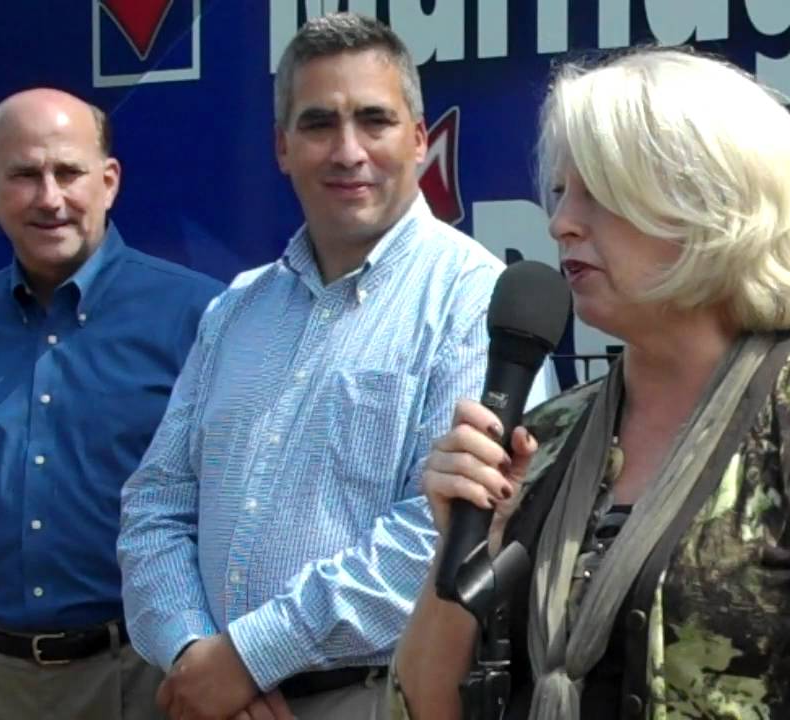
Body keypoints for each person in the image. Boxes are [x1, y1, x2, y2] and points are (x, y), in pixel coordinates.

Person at [391, 48, 790, 719]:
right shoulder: (544, 436)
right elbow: (421, 709)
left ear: (708, 207)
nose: (560, 222)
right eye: (561, 192)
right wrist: (460, 548)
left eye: (599, 193)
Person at [117, 12, 547, 720]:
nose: (348, 151)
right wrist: (193, 654)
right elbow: (155, 505)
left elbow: (444, 534)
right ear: (282, 147)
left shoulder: (477, 302)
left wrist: (250, 656)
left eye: (373, 121)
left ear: (418, 139)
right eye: (318, 125)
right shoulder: (236, 309)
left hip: (377, 700)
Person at [0, 89, 223, 719]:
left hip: (147, 679)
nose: (50, 198)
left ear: (109, 181)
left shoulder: (204, 317)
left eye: (69, 172)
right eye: (25, 175)